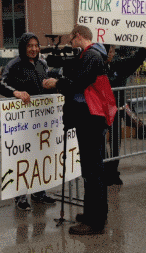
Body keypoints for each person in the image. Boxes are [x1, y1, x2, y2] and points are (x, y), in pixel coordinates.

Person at [46, 25, 110, 235]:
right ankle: (94, 213)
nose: (71, 43)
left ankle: (95, 221)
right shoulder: (92, 55)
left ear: (79, 36)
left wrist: (57, 82)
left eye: (72, 39)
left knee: (93, 171)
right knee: (92, 169)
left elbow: (78, 83)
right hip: (90, 117)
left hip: (91, 118)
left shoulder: (92, 56)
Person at [0, 32, 58, 211]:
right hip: (22, 122)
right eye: (30, 46)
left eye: (36, 45)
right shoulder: (14, 65)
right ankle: (20, 195)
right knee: (22, 158)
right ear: (23, 48)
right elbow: (1, 83)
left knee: (40, 156)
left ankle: (39, 192)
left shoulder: (42, 64)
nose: (34, 49)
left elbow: (46, 83)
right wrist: (15, 92)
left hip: (42, 119)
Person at [104, 45, 146, 185]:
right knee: (101, 143)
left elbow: (137, 59)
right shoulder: (95, 67)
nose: (110, 54)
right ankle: (105, 171)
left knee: (116, 143)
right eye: (107, 51)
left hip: (117, 111)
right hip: (101, 112)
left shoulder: (119, 65)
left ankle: (113, 172)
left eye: (112, 51)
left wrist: (144, 43)